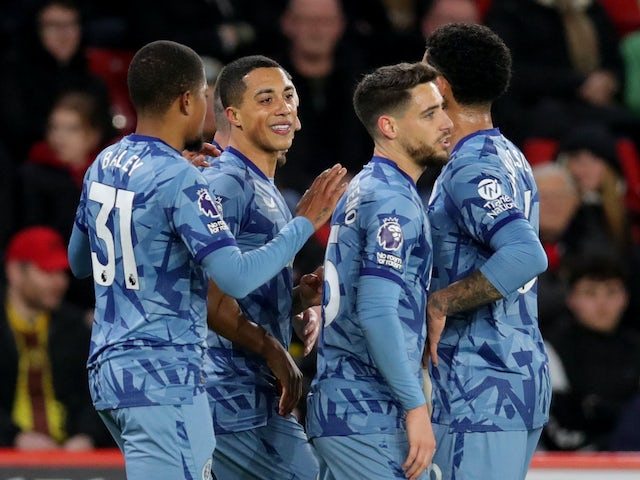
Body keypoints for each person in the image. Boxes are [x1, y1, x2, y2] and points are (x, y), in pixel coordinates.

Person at [67, 40, 346, 479]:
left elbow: (80, 261)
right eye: (203, 96)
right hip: (165, 378)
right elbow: (233, 279)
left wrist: (288, 300)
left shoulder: (107, 160)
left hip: (108, 372)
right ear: (187, 100)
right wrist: (304, 223)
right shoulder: (184, 177)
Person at [307, 61, 453, 480]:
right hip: (367, 413)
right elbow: (376, 310)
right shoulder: (393, 201)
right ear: (389, 126)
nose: (446, 123)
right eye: (429, 114)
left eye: (442, 108)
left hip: (349, 410)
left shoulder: (370, 187)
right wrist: (415, 407)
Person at [423, 23, 550, 479]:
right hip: (508, 378)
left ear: (441, 86)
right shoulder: (506, 154)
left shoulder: (471, 165)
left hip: (478, 388)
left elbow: (526, 254)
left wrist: (441, 301)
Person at [200, 54, 324, 480]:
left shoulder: (260, 185)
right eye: (266, 99)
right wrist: (275, 351)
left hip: (256, 396)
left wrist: (294, 299)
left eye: (288, 96)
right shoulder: (226, 182)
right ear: (233, 115)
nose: (283, 107)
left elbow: (241, 296)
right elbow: (210, 302)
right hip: (228, 396)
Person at [0, 226, 111, 450]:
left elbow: (97, 394)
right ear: (14, 272)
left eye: (61, 272)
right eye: (47, 272)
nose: (59, 282)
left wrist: (85, 437)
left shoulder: (76, 327)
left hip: (70, 456)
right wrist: (15, 438)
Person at [541, 255, 640, 451]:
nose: (602, 304)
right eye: (590, 293)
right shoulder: (549, 349)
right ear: (571, 299)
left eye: (611, 292)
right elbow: (554, 425)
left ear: (625, 298)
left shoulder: (635, 346)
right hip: (567, 462)